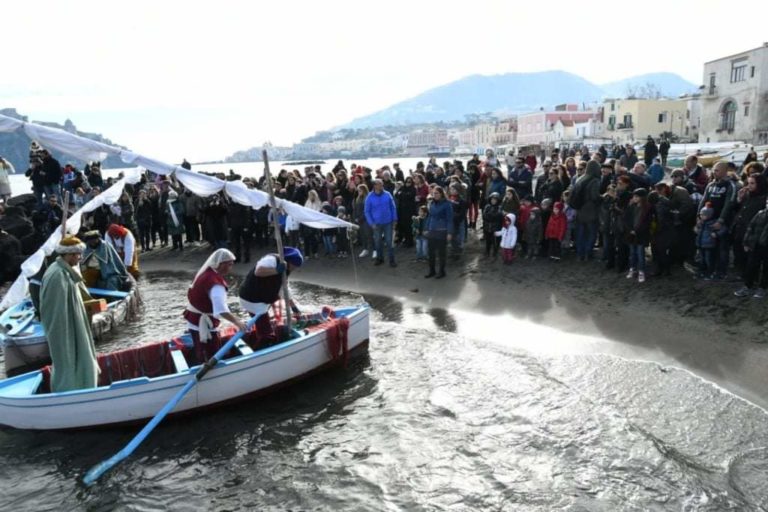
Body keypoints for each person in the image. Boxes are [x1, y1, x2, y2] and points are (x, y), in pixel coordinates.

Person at [39, 235, 99, 392]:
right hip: (65, 328)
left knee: (78, 357)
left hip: (74, 323)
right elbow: (56, 311)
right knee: (67, 359)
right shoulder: (58, 275)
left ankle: (81, 386)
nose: (80, 258)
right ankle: (70, 390)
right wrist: (66, 332)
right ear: (69, 255)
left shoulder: (64, 271)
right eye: (77, 254)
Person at [184, 248, 246, 364]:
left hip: (193, 320)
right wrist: (238, 322)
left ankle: (201, 361)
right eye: (229, 264)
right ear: (221, 264)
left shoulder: (206, 272)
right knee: (210, 352)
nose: (231, 268)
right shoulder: (215, 284)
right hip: (202, 323)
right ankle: (209, 368)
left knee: (200, 348)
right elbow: (221, 309)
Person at [238, 247, 304, 345]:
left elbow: (285, 290)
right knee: (265, 330)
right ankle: (265, 344)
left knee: (261, 320)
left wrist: (294, 308)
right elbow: (258, 271)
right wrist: (276, 270)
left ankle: (259, 333)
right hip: (251, 297)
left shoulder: (286, 270)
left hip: (260, 299)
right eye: (293, 266)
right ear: (288, 261)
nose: (294, 269)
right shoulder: (272, 260)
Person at [364, 179, 398, 267]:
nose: (381, 186)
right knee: (378, 242)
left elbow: (393, 207)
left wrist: (395, 219)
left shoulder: (387, 194)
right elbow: (367, 211)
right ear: (375, 186)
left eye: (382, 184)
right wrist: (371, 223)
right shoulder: (369, 197)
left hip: (388, 222)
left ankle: (392, 260)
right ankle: (380, 258)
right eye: (379, 184)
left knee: (389, 242)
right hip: (376, 224)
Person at [424, 186, 452, 278]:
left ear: (441, 194)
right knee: (431, 252)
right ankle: (432, 270)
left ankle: (442, 271)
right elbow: (429, 217)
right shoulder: (431, 203)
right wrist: (426, 228)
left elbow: (449, 219)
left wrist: (449, 232)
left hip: (442, 230)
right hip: (432, 230)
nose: (434, 195)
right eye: (433, 193)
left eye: (436, 193)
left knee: (441, 253)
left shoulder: (447, 204)